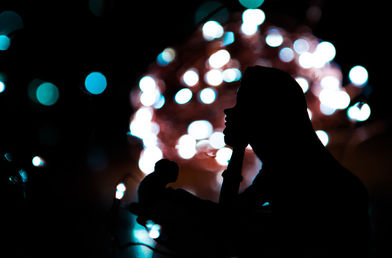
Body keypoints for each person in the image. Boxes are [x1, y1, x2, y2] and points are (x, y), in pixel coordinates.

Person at [131, 66, 370, 257]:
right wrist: (182, 200)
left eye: (241, 105)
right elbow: (233, 213)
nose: (228, 112)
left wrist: (237, 148)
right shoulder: (284, 164)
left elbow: (230, 225)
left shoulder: (298, 172)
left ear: (266, 115)